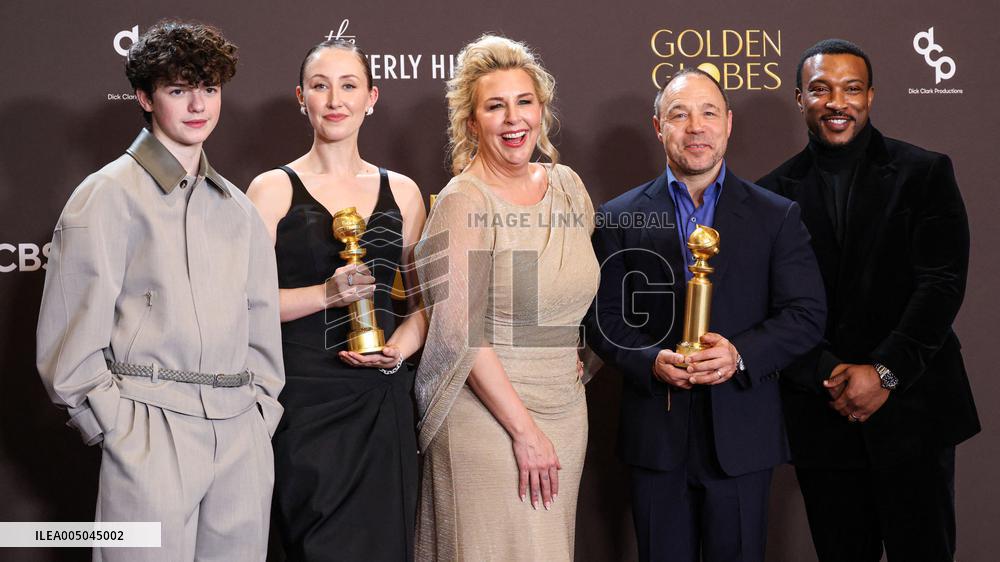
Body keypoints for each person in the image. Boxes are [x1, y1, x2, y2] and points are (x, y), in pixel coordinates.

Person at [35, 21, 283, 561]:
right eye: (178, 90)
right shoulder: (103, 196)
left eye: (210, 89)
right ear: (145, 97)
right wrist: (119, 429)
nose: (198, 105)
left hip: (240, 435)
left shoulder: (239, 209)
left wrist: (260, 414)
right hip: (148, 428)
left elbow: (261, 325)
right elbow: (69, 343)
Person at [585, 68, 826, 562]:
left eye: (708, 112)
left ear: (729, 124)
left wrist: (740, 355)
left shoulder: (776, 215)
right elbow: (603, 317)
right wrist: (650, 360)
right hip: (656, 437)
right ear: (659, 127)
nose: (695, 126)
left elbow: (805, 314)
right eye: (679, 114)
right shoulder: (618, 216)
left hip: (742, 438)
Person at [756, 39, 980, 562]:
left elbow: (942, 284)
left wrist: (884, 373)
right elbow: (772, 307)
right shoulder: (770, 195)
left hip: (915, 411)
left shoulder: (925, 173)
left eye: (851, 88)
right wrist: (830, 373)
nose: (838, 101)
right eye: (821, 89)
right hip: (822, 413)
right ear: (799, 99)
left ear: (871, 96)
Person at [412, 35, 598, 561]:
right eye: (495, 106)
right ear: (472, 123)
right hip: (486, 418)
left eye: (524, 102)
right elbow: (457, 332)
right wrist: (524, 431)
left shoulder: (567, 185)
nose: (513, 119)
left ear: (541, 110)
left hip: (565, 410)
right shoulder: (463, 202)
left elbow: (574, 290)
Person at [247, 38, 426, 561]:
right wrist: (327, 294)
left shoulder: (406, 192)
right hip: (303, 399)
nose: (335, 100)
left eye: (349, 86)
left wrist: (401, 348)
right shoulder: (272, 189)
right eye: (321, 87)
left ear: (372, 97)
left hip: (382, 400)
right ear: (300, 97)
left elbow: (423, 303)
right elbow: (242, 304)